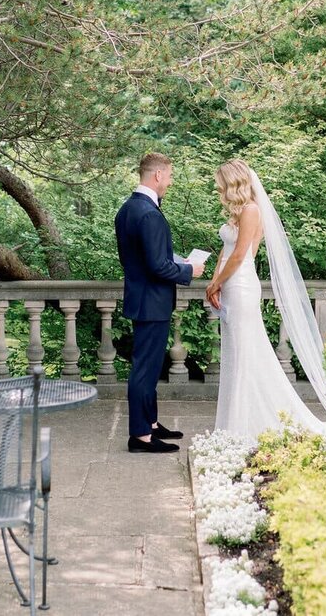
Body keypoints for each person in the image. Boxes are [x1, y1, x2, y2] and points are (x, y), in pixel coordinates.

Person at [206, 160, 326, 440]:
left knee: (244, 352)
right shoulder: (236, 212)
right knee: (235, 352)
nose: (218, 188)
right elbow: (226, 250)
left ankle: (244, 426)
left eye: (221, 183)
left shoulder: (252, 210)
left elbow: (241, 255)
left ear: (234, 183)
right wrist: (214, 281)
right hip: (229, 284)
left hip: (240, 285)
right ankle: (235, 421)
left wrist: (219, 281)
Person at [114, 152, 204, 453]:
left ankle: (150, 424)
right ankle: (140, 436)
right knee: (144, 371)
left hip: (142, 298)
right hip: (152, 302)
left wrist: (174, 260)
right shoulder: (149, 213)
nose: (170, 181)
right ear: (157, 176)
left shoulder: (127, 210)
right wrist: (189, 270)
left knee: (149, 369)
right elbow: (157, 267)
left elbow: (141, 259)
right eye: (170, 175)